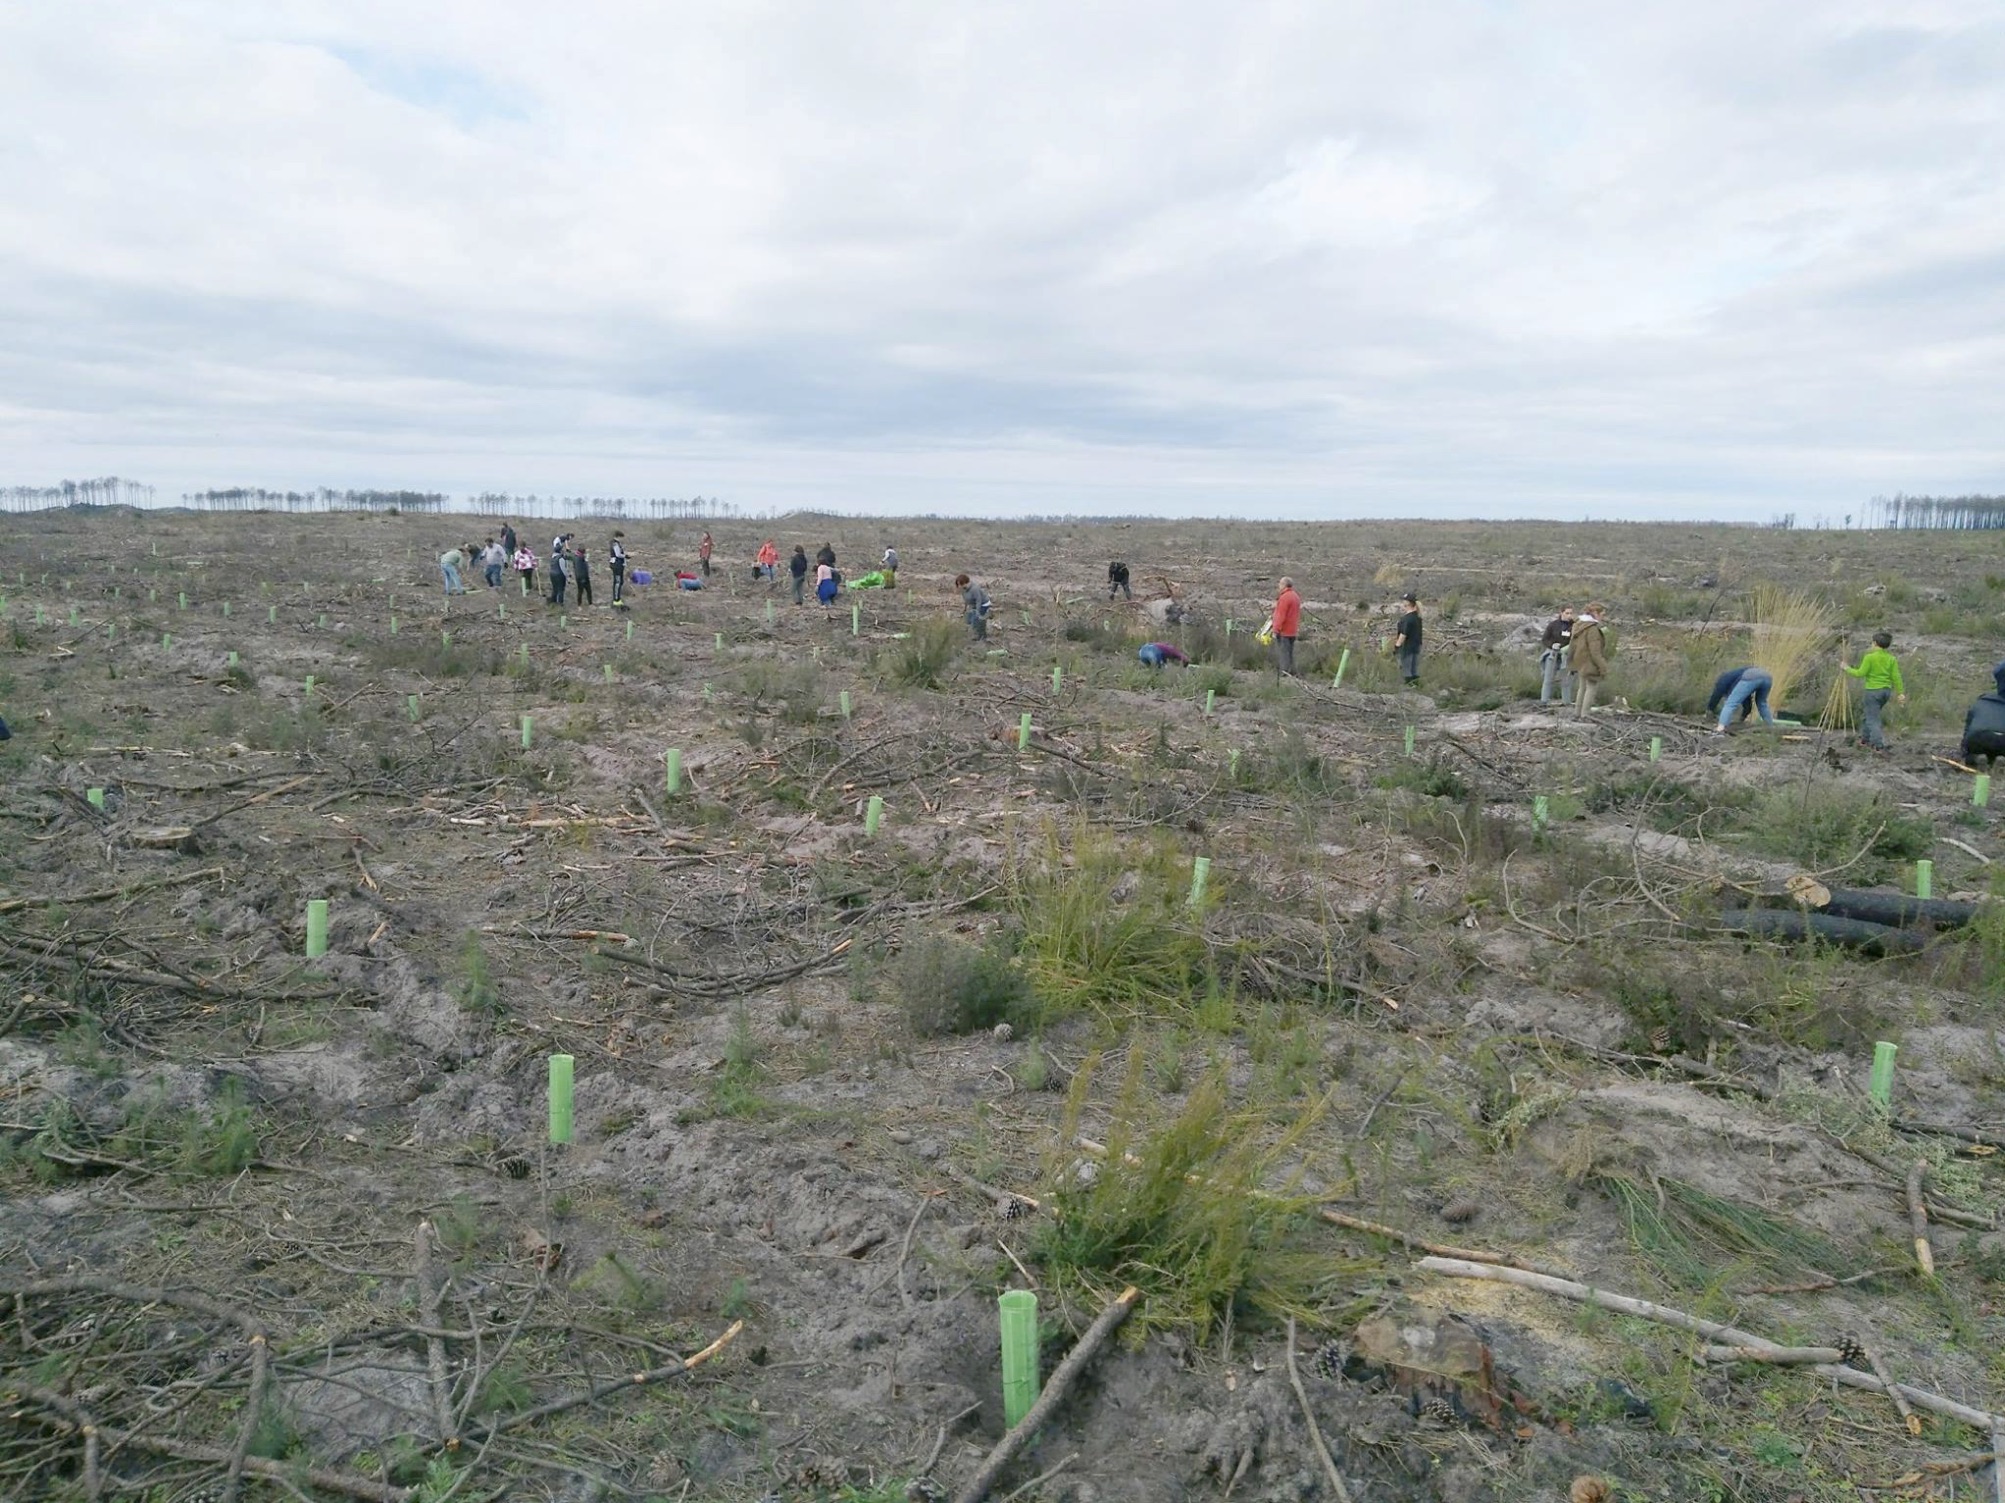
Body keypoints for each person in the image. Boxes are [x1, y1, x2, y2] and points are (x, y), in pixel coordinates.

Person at [1840, 631, 1905, 751]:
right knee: (1869, 715)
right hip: (1886, 692)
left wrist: (1846, 668)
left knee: (1872, 719)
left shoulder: (1869, 657)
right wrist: (1900, 692)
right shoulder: (1891, 659)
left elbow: (1860, 673)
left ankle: (1878, 745)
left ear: (1875, 643)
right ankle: (1864, 739)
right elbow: (1896, 676)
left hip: (1873, 691)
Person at [1706, 665, 1774, 734]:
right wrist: (1742, 718)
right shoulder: (1735, 678)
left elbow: (1716, 695)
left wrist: (1710, 709)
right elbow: (1747, 702)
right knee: (1762, 703)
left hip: (1751, 676)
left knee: (1730, 703)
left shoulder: (1722, 681)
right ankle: (1770, 727)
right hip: (1767, 677)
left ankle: (1720, 728)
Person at [1961, 661, 2005, 766]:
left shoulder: (1982, 701)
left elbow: (1967, 732)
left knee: (1969, 754)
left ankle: (1976, 759)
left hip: (1979, 737)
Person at [1570, 604, 1609, 716]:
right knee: (1591, 687)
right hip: (1589, 662)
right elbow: (1595, 652)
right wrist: (1603, 667)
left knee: (1582, 688)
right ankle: (1585, 714)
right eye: (1602, 614)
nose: (1603, 617)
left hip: (1580, 660)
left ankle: (1577, 713)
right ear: (1595, 613)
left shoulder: (1578, 625)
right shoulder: (1592, 629)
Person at [1539, 606, 1576, 705]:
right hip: (1553, 654)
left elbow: (1577, 640)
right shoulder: (1553, 625)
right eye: (1567, 613)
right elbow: (1545, 639)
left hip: (1566, 655)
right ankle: (1544, 701)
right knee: (1548, 678)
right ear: (1561, 613)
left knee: (1566, 680)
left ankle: (1566, 702)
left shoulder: (1574, 626)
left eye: (1571, 613)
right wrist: (1552, 645)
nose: (1569, 615)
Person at [1271, 577, 1302, 676]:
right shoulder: (1295, 596)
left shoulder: (1284, 598)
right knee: (1290, 653)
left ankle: (1284, 673)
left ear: (1284, 585)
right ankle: (1292, 671)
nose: (1278, 586)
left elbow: (1280, 615)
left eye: (1280, 584)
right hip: (1293, 630)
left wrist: (1275, 630)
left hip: (1284, 630)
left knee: (1284, 653)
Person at [1392, 592, 1423, 686]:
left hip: (1407, 647)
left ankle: (1409, 689)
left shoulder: (1407, 619)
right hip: (1416, 646)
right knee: (1414, 669)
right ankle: (1417, 686)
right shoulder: (1417, 617)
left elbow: (1403, 634)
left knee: (1407, 669)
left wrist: (1397, 646)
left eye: (1403, 601)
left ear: (1408, 603)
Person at [957, 573, 991, 640]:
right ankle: (978, 632)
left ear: (965, 583)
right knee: (968, 619)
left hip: (983, 604)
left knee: (977, 619)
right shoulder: (963, 590)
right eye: (958, 584)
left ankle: (982, 636)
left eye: (960, 584)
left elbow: (979, 600)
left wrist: (978, 612)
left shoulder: (974, 589)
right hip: (974, 604)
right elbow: (966, 600)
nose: (959, 586)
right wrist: (965, 609)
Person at [609, 533, 629, 605]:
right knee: (618, 582)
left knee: (619, 582)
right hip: (617, 565)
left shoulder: (615, 543)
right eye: (621, 537)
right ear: (618, 537)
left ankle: (617, 598)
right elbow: (618, 554)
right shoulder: (615, 544)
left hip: (618, 564)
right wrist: (625, 556)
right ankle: (616, 600)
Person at [548, 539, 569, 606]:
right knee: (560, 589)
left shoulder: (553, 557)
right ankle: (560, 603)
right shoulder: (561, 558)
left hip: (552, 574)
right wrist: (567, 576)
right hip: (559, 575)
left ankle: (553, 600)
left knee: (554, 588)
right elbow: (563, 569)